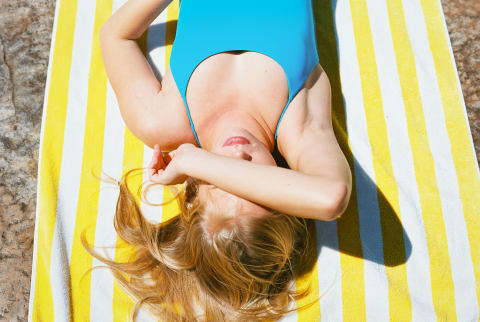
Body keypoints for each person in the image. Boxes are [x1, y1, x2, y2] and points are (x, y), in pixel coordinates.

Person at [84, 0, 352, 320]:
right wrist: (194, 163)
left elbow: (115, 37)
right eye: (251, 181)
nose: (238, 156)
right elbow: (330, 198)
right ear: (282, 189)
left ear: (195, 191)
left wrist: (192, 159)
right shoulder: (298, 122)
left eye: (225, 180)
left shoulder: (164, 121)